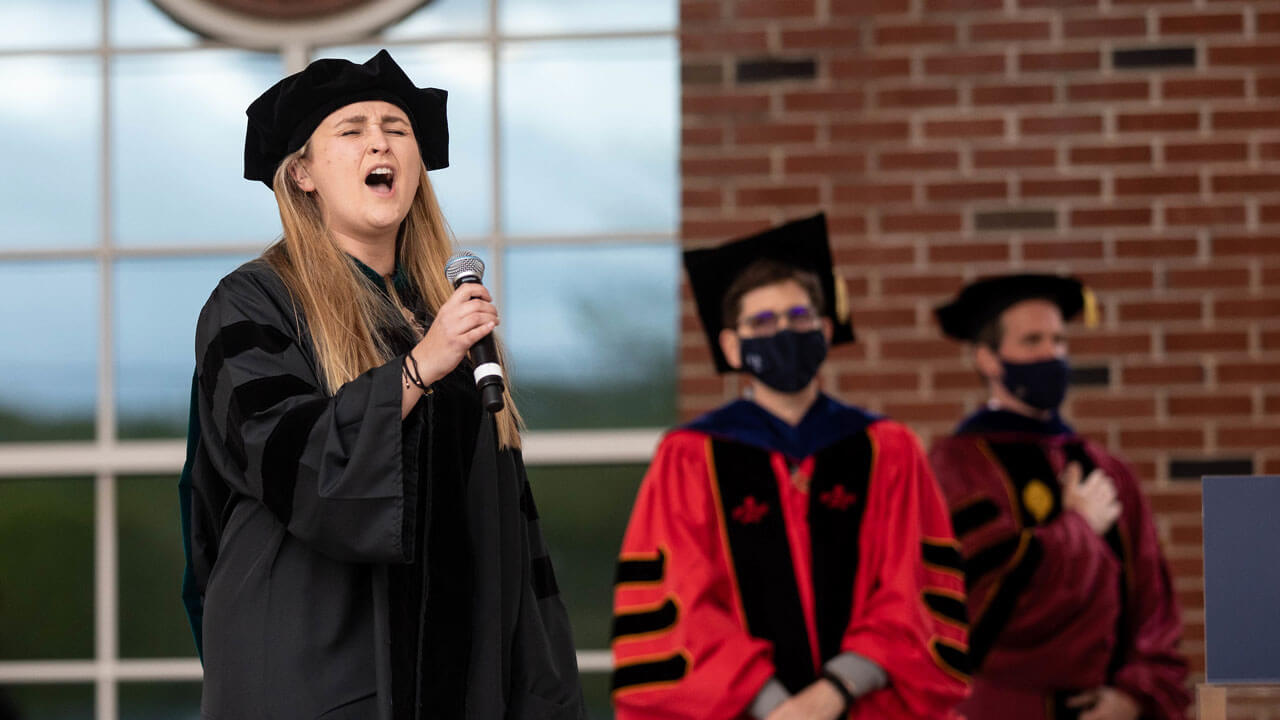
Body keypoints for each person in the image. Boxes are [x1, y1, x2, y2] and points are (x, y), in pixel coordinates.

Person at [178, 50, 584, 720]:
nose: (380, 140)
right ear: (302, 172)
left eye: (396, 127)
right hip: (315, 676)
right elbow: (295, 465)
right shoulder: (254, 305)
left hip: (459, 682)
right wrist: (418, 369)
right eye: (353, 128)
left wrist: (541, 694)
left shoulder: (446, 317)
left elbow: (510, 533)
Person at [610, 214, 970, 720]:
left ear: (825, 331)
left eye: (799, 317)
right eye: (762, 322)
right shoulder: (690, 457)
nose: (784, 331)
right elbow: (681, 603)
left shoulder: (888, 449)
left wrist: (835, 692)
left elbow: (913, 589)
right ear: (732, 346)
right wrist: (778, 707)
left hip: (870, 706)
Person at [929, 274, 1189, 720]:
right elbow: (980, 610)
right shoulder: (957, 467)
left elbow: (1154, 609)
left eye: (1059, 340)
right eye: (1032, 340)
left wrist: (1133, 695)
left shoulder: (1108, 471)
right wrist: (1078, 531)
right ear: (987, 359)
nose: (1052, 354)